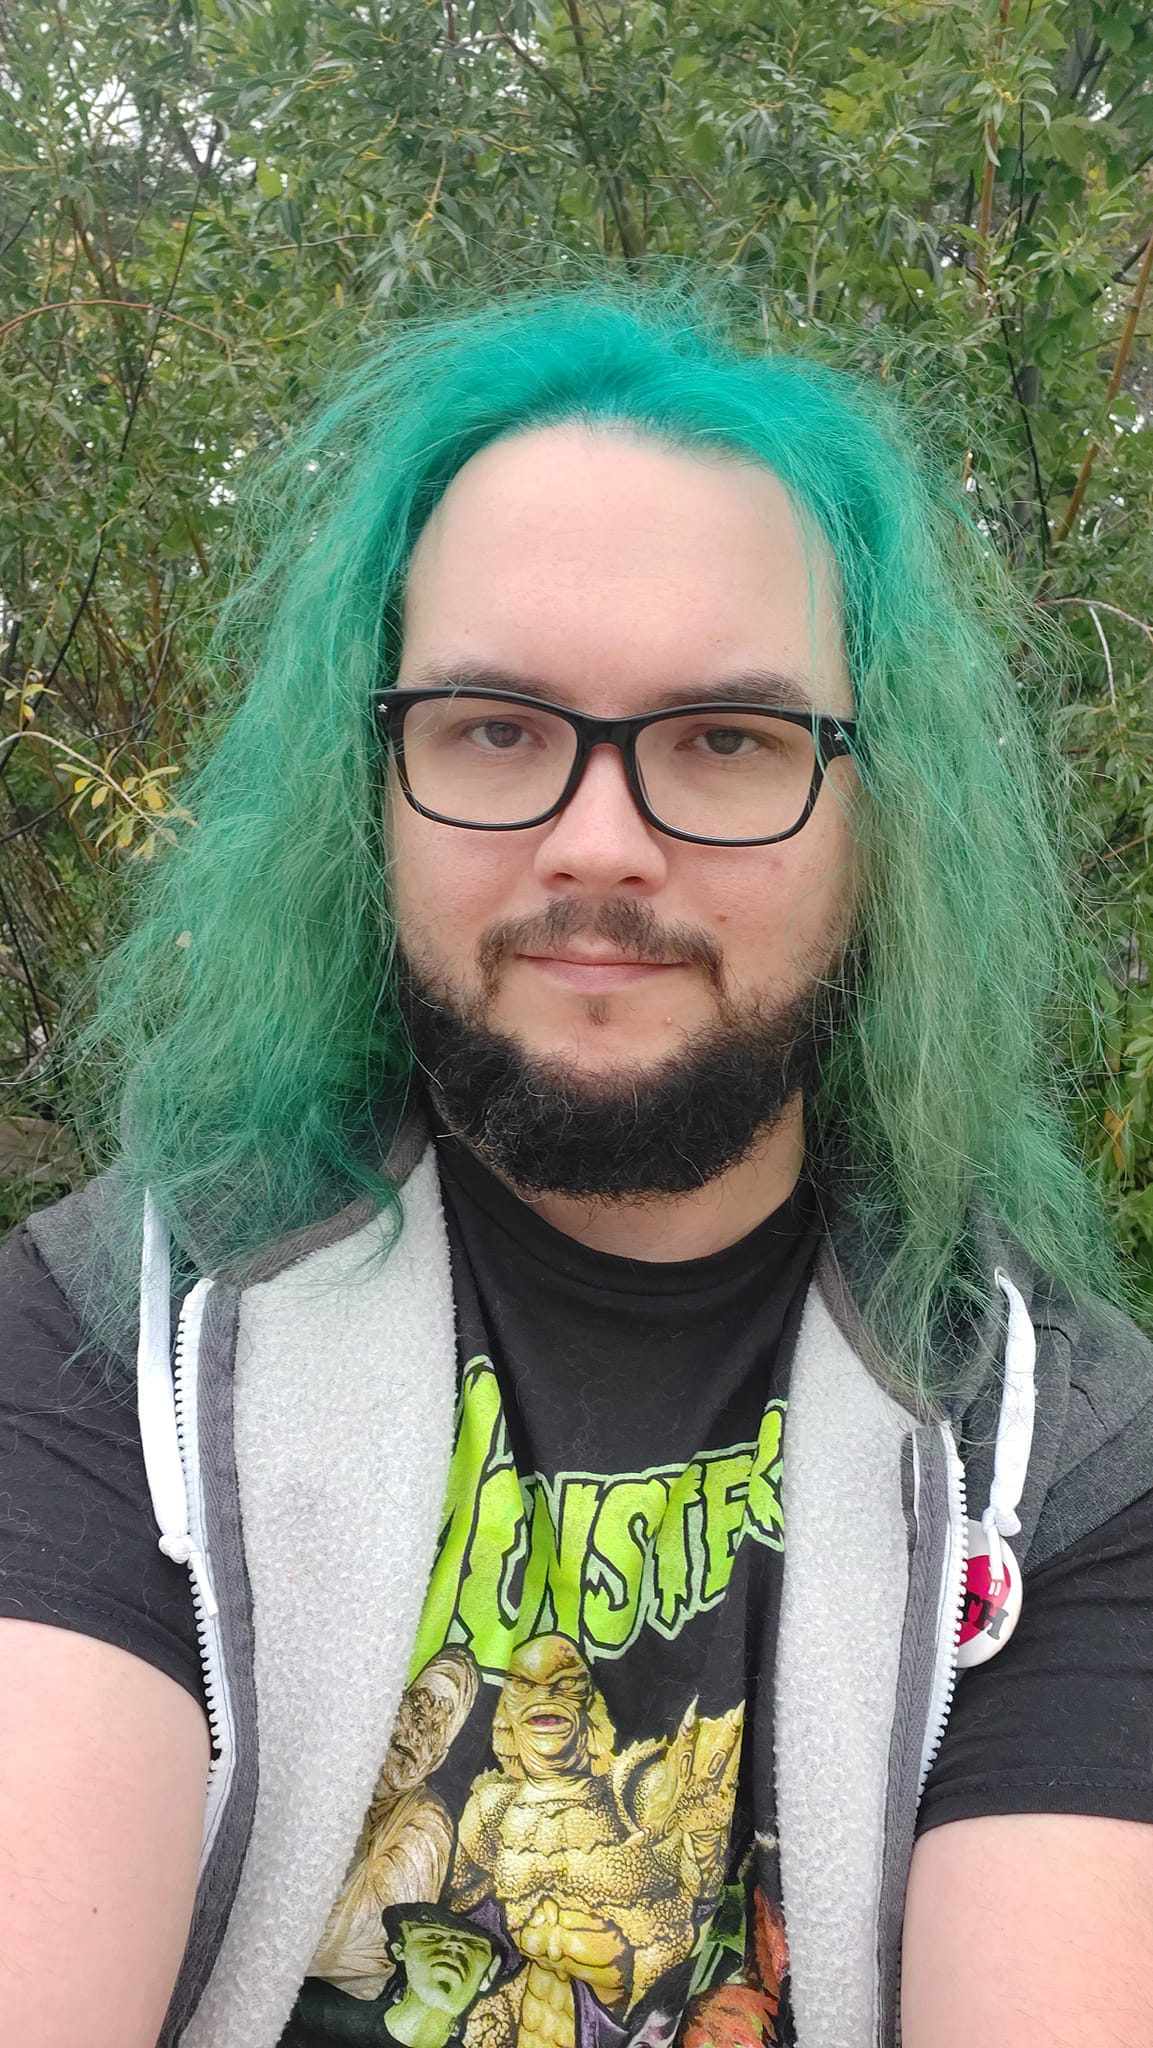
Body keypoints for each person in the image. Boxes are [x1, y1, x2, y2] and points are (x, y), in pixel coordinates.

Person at [2, 287, 1152, 2048]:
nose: (597, 843)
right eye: (493, 726)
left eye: (724, 741)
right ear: (367, 792)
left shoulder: (1055, 1457)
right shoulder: (115, 1347)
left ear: (876, 818)